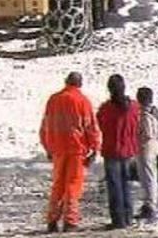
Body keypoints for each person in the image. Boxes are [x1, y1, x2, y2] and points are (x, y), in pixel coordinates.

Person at [39, 72, 101, 233]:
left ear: (66, 82)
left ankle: (52, 220)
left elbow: (45, 124)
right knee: (73, 185)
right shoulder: (83, 101)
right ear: (80, 84)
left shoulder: (53, 99)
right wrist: (94, 148)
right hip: (76, 150)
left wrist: (47, 146)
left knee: (58, 184)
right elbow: (90, 127)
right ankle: (70, 221)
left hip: (58, 149)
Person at [96, 74, 140, 230]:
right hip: (129, 150)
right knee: (126, 184)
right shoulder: (134, 107)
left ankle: (118, 219)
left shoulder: (106, 109)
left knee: (115, 186)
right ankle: (128, 216)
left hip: (112, 150)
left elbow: (100, 124)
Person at [136, 86, 158, 220]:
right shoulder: (152, 112)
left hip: (145, 146)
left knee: (148, 176)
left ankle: (150, 205)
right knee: (147, 175)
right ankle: (148, 204)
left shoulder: (145, 115)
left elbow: (148, 133)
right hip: (149, 146)